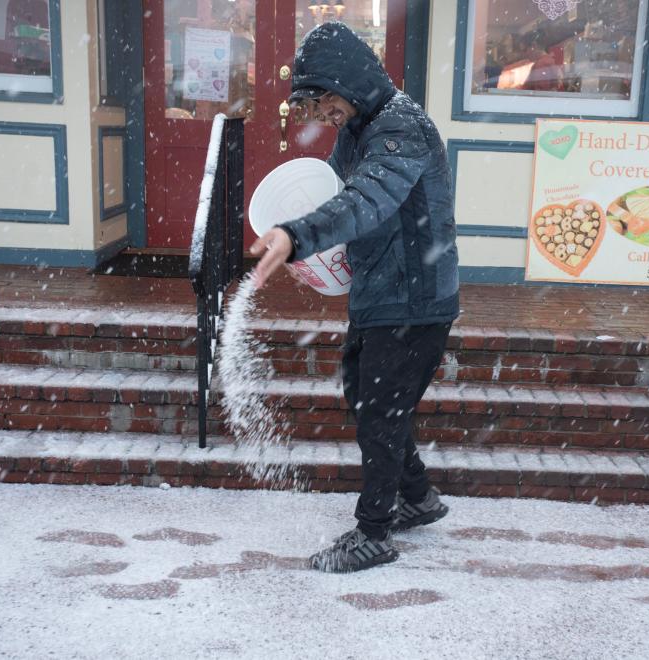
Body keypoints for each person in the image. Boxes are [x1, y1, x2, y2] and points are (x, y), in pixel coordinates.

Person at [250, 22, 459, 573]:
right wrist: (304, 251)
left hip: (414, 298)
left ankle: (374, 532)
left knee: (380, 412)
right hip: (380, 290)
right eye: (313, 109)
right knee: (367, 398)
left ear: (351, 83)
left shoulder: (400, 129)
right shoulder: (363, 126)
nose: (322, 118)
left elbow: (368, 201)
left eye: (326, 103)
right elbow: (337, 196)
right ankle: (416, 497)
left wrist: (298, 235)